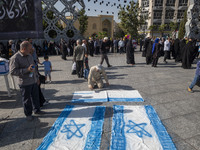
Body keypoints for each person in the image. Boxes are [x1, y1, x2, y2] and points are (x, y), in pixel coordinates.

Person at [9, 41, 43, 121]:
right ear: (24, 49)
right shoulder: (15, 58)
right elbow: (13, 72)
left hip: (33, 81)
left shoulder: (29, 56)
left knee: (35, 97)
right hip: (24, 83)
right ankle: (28, 114)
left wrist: (37, 78)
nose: (31, 50)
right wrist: (26, 70)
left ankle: (37, 110)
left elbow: (33, 68)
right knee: (27, 100)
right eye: (30, 49)